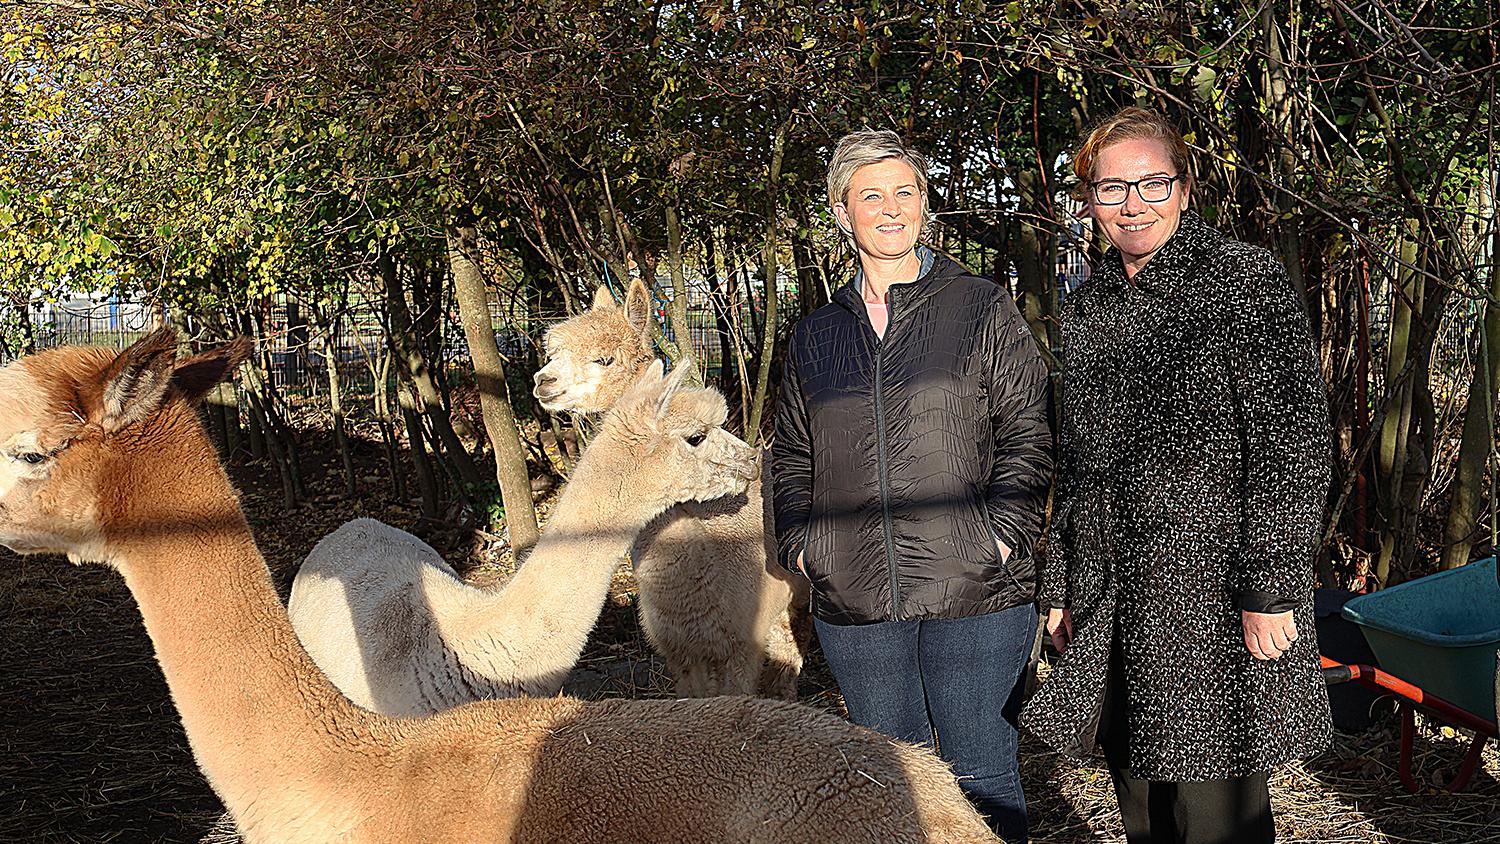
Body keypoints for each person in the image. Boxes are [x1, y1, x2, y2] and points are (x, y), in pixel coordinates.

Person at [1020, 106, 1332, 844]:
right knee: (1142, 801)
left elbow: (1291, 443)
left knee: (1214, 813)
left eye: (1152, 183)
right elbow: (1081, 460)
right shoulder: (1091, 303)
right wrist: (1064, 586)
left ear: (1186, 188)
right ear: (1088, 200)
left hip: (1212, 600)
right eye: (1111, 187)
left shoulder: (1240, 281)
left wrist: (1271, 585)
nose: (1133, 204)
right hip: (1115, 596)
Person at [772, 129, 1052, 843]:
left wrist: (999, 535)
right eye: (871, 195)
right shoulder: (815, 336)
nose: (891, 209)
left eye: (906, 192)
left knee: (981, 775)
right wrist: (805, 549)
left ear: (926, 205)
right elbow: (792, 456)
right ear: (842, 212)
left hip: (976, 593)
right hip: (857, 601)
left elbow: (1029, 430)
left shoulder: (980, 307)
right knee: (885, 777)